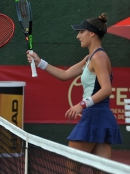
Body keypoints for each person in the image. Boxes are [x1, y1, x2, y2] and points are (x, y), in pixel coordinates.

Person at [27, 13, 122, 160]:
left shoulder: (98, 57)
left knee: (71, 166)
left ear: (91, 34)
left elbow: (106, 89)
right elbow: (65, 75)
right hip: (100, 117)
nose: (78, 36)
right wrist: (40, 62)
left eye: (81, 32)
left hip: (94, 115)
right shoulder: (89, 58)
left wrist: (82, 104)